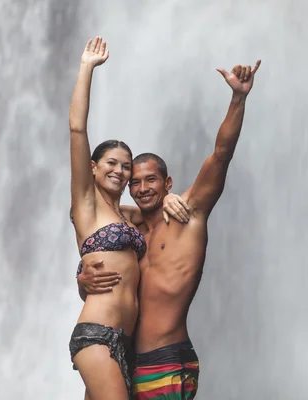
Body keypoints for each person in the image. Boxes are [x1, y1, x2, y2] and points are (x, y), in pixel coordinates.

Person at [78, 59, 262, 399]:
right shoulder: (129, 232)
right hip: (122, 358)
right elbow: (102, 256)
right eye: (135, 182)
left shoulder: (187, 212)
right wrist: (82, 278)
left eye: (152, 180)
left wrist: (238, 98)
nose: (143, 187)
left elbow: (221, 155)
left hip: (165, 358)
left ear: (168, 183)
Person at [67, 36, 188, 400]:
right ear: (92, 167)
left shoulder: (128, 216)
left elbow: (155, 209)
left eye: (126, 166)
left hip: (128, 342)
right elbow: (77, 128)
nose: (120, 172)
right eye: (111, 164)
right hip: (97, 334)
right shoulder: (86, 202)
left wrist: (172, 199)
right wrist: (87, 68)